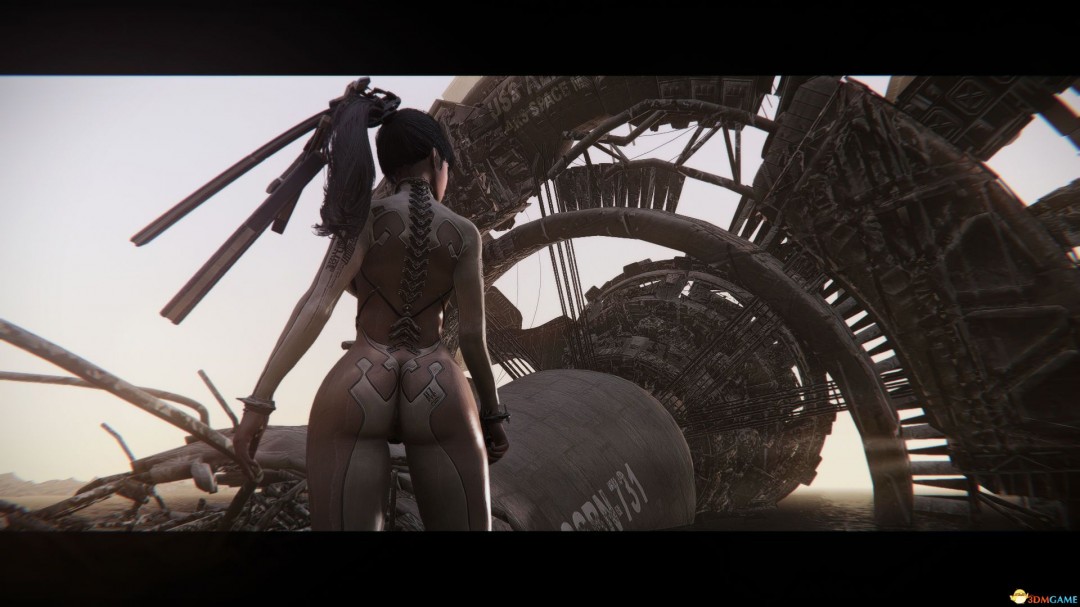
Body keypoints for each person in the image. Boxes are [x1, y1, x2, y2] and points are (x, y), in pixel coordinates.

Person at [231, 99, 510, 531]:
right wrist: (491, 415)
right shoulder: (464, 234)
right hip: (437, 384)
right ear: (435, 157)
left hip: (361, 379)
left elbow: (316, 304)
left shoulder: (362, 219)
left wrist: (259, 403)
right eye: (448, 168)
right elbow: (473, 338)